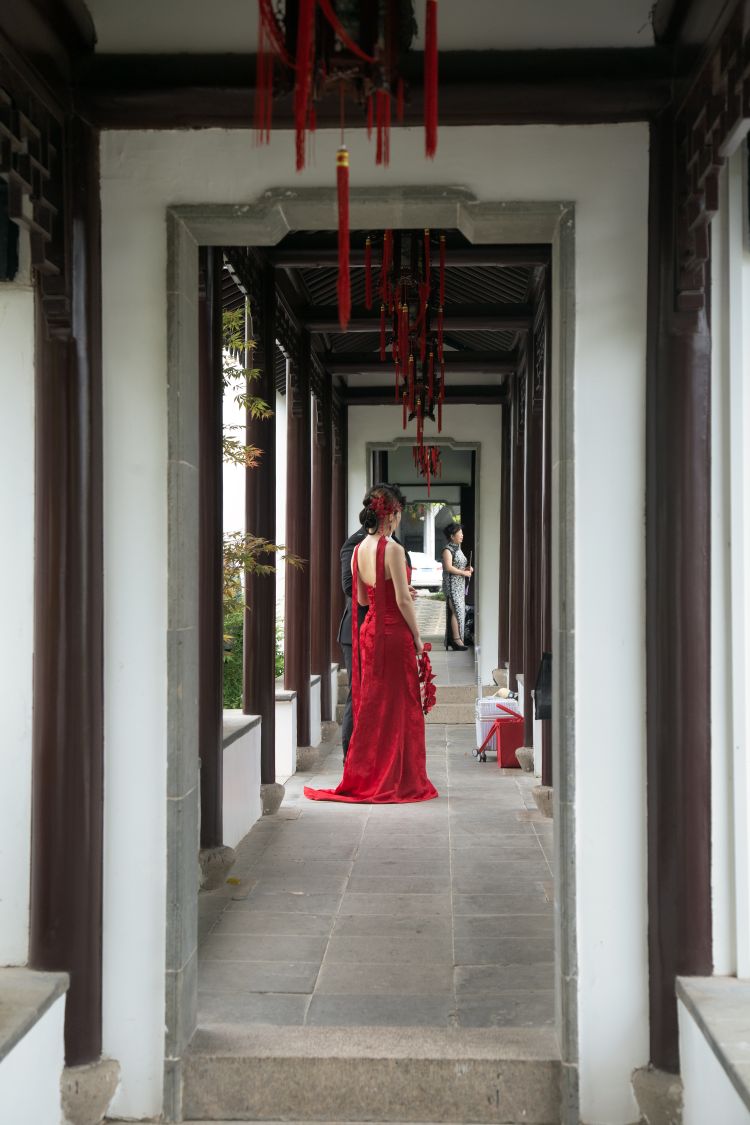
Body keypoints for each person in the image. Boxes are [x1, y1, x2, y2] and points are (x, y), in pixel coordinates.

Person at [305, 485, 438, 804]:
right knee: (400, 706)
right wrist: (418, 637)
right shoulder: (391, 548)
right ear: (391, 515)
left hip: (369, 632)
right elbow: (403, 600)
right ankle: (398, 778)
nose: (399, 519)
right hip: (393, 633)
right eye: (398, 514)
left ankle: (370, 775)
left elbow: (363, 599)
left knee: (373, 706)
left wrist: (387, 597)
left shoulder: (359, 549)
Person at [337, 483, 411, 761]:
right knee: (359, 697)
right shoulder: (355, 543)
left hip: (387, 629)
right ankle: (351, 760)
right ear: (388, 512)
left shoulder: (393, 543)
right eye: (397, 512)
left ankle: (380, 760)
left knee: (383, 698)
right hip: (360, 629)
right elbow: (350, 586)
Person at [442, 523, 473, 651]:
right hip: (452, 585)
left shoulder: (458, 548)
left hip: (459, 585)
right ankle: (456, 640)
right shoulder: (447, 550)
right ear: (452, 536)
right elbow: (448, 568)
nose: (462, 535)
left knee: (459, 611)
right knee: (456, 610)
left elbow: (458, 566)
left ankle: (456, 639)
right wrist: (463, 573)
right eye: (459, 533)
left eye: (462, 532)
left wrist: (467, 569)